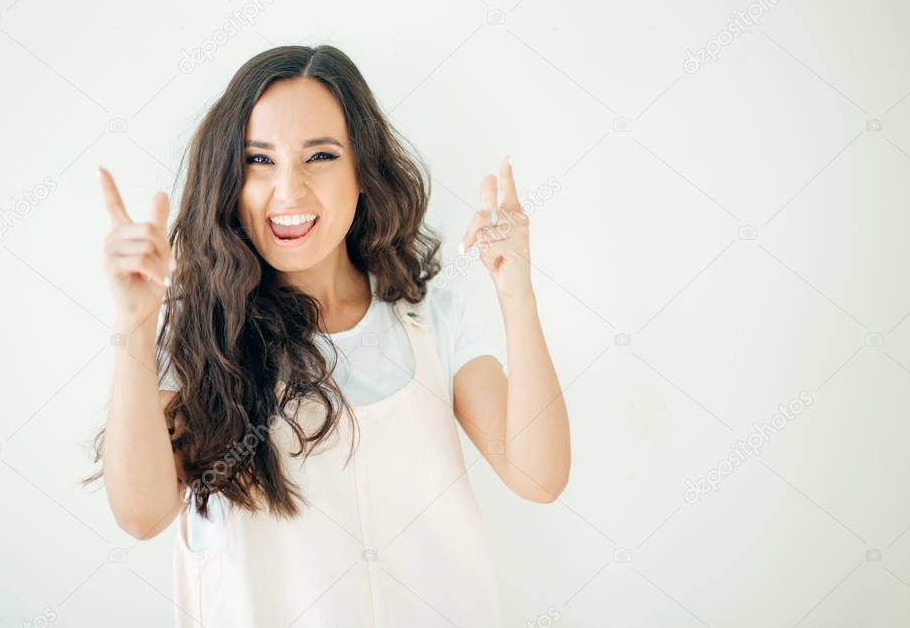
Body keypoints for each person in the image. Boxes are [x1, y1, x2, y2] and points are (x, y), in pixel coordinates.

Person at [82, 44, 570, 627]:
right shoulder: (195, 335)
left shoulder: (430, 319)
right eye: (259, 160)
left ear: (363, 171)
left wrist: (517, 292)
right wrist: (134, 327)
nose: (288, 191)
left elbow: (539, 476)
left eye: (319, 155)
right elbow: (141, 515)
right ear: (229, 181)